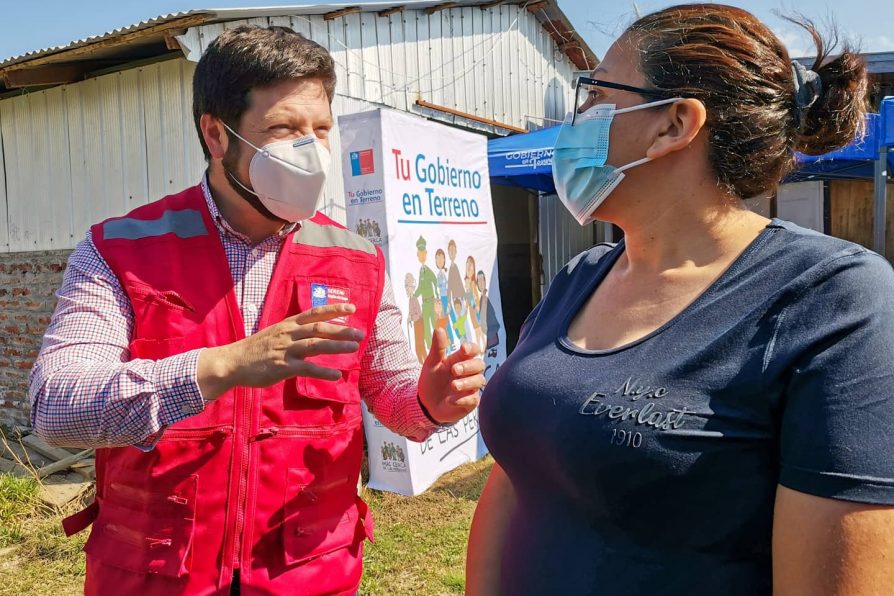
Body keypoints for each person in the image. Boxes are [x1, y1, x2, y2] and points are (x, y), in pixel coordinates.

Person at [27, 25, 485, 596]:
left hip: (308, 571)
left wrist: (430, 403)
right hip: (157, 575)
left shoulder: (358, 259)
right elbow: (58, 407)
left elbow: (394, 399)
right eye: (284, 129)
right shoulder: (121, 251)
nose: (312, 151)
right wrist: (229, 363)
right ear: (216, 135)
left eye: (321, 129)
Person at [467, 5, 894, 595]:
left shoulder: (833, 298)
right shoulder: (580, 275)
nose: (580, 118)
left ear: (673, 124)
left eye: (594, 95)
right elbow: (520, 476)